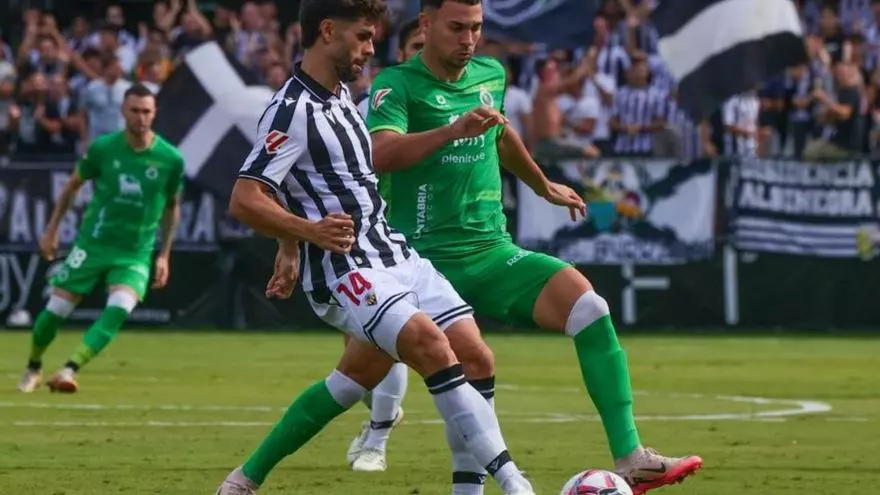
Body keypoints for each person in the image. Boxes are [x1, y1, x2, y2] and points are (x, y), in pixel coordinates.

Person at [361, 0, 703, 493]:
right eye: (457, 27)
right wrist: (452, 131)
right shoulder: (395, 85)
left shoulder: (490, 74)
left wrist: (543, 185)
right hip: (418, 263)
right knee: (348, 382)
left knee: (588, 307)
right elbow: (380, 153)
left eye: (476, 27)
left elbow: (500, 135)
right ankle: (255, 474)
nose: (469, 39)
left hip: (491, 252)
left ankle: (630, 457)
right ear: (426, 24)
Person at [215, 1, 534, 493]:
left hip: (391, 251)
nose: (370, 49)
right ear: (327, 31)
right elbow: (246, 195)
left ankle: (243, 480)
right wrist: (304, 233)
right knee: (432, 346)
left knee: (471, 360)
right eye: (363, 37)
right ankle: (515, 484)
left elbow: (297, 184)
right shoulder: (291, 110)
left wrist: (288, 242)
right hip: (345, 270)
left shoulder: (343, 95)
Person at [17, 84, 184, 394]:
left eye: (146, 111)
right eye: (135, 111)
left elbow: (173, 206)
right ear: (123, 111)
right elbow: (72, 186)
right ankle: (34, 366)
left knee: (120, 307)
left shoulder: (170, 159)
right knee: (53, 313)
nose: (141, 117)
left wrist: (164, 254)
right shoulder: (103, 149)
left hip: (135, 252)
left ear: (154, 113)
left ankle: (69, 369)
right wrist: (52, 230)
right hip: (93, 245)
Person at [344, 15, 425, 473]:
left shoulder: (458, 103)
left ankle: (377, 439)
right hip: (375, 237)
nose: (422, 56)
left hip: (430, 239)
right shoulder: (364, 109)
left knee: (390, 338)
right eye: (415, 47)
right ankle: (384, 413)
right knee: (361, 350)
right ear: (400, 54)